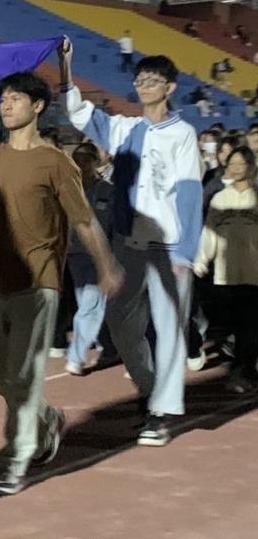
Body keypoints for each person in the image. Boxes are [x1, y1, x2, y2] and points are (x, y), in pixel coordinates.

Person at [0, 40, 123, 495]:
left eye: (15, 98)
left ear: (37, 106)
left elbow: (83, 219)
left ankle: (14, 459)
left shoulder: (56, 162)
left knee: (24, 374)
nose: (5, 105)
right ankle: (47, 417)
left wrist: (106, 265)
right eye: (2, 99)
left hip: (39, 281)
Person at [59, 46, 202, 447]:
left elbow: (189, 193)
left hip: (168, 246)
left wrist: (186, 251)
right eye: (139, 80)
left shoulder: (182, 134)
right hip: (128, 243)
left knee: (169, 327)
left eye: (152, 80)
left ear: (170, 87)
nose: (143, 86)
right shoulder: (124, 128)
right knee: (120, 321)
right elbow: (78, 113)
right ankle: (150, 388)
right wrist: (66, 67)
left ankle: (160, 414)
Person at [194, 146, 258, 393]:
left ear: (251, 166)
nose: (236, 168)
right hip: (225, 274)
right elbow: (209, 233)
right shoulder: (220, 198)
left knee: (249, 326)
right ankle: (244, 369)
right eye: (232, 163)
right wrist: (202, 260)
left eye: (241, 164)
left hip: (253, 273)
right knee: (232, 326)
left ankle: (241, 373)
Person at [64, 142, 116, 376]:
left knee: (90, 305)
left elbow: (116, 224)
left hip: (100, 256)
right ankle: (110, 346)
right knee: (87, 304)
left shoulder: (108, 191)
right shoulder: (68, 190)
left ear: (96, 162)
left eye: (86, 160)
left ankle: (75, 357)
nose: (82, 165)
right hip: (75, 255)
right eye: (77, 160)